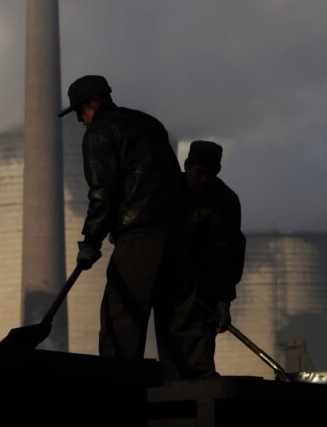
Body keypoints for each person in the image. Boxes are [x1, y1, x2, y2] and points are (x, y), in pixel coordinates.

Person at [58, 74, 214, 379]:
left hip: (139, 236)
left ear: (95, 102)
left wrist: (91, 240)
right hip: (177, 234)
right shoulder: (150, 123)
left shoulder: (100, 133)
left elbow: (103, 193)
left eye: (80, 111)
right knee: (180, 317)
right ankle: (200, 386)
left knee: (122, 315)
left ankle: (118, 385)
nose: (80, 120)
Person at [158, 140, 246, 378]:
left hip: (204, 295)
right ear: (187, 166)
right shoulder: (167, 189)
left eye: (211, 174)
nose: (204, 179)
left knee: (200, 359)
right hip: (169, 290)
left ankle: (200, 405)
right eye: (199, 173)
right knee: (170, 360)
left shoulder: (226, 201)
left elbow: (229, 253)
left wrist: (223, 300)